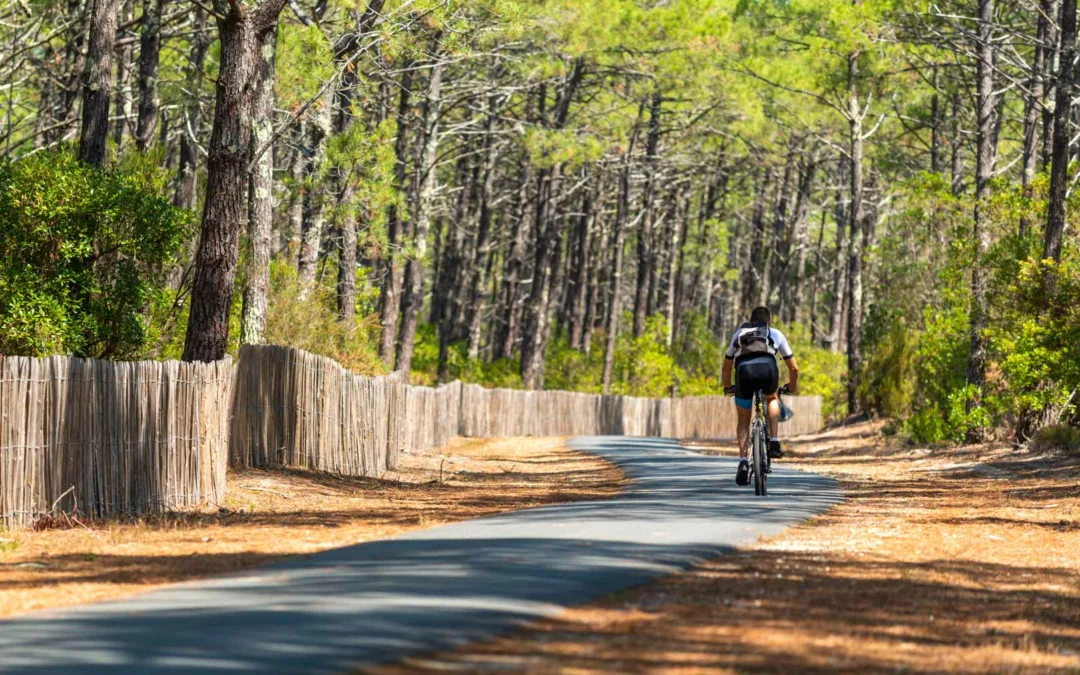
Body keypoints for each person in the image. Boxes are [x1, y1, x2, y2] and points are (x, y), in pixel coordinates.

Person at [721, 306, 799, 487]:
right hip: (767, 371)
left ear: (751, 319)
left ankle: (742, 460)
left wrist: (728, 387)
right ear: (768, 321)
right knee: (772, 398)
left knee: (743, 418)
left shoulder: (739, 334)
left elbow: (726, 367)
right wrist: (791, 387)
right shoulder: (775, 334)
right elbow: (794, 368)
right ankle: (774, 441)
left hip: (743, 373)